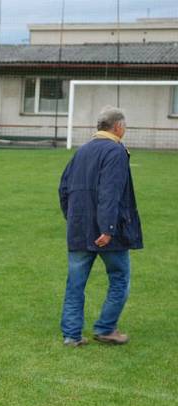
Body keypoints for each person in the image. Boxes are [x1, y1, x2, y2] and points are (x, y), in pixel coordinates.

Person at [59, 106, 142, 347]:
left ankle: (71, 335)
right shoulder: (116, 151)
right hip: (108, 232)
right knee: (120, 278)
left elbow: (63, 189)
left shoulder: (81, 152)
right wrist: (107, 228)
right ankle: (106, 328)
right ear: (118, 127)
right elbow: (110, 191)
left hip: (79, 229)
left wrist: (73, 217)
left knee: (75, 283)